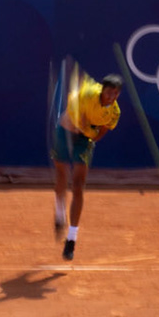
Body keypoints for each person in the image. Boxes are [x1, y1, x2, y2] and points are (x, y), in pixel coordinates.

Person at [51, 67, 122, 260]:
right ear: (102, 90)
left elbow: (100, 134)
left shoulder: (114, 113)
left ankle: (71, 239)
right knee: (61, 179)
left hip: (84, 140)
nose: (112, 96)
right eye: (109, 92)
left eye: (116, 93)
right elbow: (77, 116)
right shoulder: (87, 95)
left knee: (78, 186)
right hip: (65, 130)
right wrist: (83, 126)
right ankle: (59, 214)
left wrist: (89, 134)